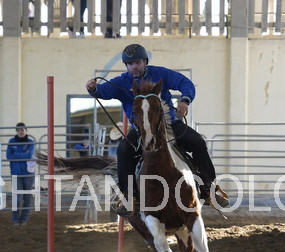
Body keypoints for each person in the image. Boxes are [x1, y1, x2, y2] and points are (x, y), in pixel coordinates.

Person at [85, 43, 229, 217]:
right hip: (140, 129)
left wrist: (185, 100)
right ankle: (129, 196)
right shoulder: (122, 82)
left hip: (168, 124)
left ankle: (209, 188)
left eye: (137, 62)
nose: (134, 67)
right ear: (126, 66)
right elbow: (103, 91)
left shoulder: (160, 73)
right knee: (123, 150)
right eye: (130, 64)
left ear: (145, 62)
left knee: (198, 142)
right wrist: (93, 89)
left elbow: (185, 83)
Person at [6, 122, 35, 226]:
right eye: (18, 130)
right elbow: (9, 156)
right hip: (16, 173)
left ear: (26, 130)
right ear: (16, 131)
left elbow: (29, 155)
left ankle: (23, 219)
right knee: (17, 197)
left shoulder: (30, 142)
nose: (20, 132)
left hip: (28, 173)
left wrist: (16, 154)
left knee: (27, 197)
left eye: (22, 130)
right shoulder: (11, 141)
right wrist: (23, 154)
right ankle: (15, 219)